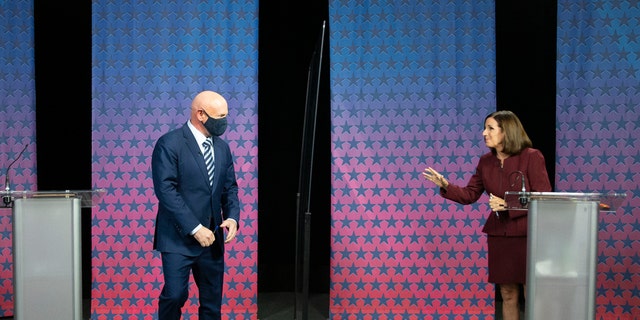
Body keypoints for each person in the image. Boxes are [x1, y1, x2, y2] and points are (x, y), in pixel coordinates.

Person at [422, 110, 551, 320]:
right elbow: (470, 194)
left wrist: (508, 204)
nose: (484, 133)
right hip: (499, 234)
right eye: (485, 128)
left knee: (532, 294)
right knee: (507, 293)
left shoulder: (531, 157)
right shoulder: (485, 162)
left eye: (490, 128)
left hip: (529, 234)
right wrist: (445, 185)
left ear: (506, 131)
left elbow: (543, 196)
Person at [152, 90, 240, 319]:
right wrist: (195, 228)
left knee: (212, 304)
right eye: (219, 116)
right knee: (174, 295)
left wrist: (232, 217)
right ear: (200, 114)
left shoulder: (222, 148)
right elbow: (166, 190)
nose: (224, 122)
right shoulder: (169, 143)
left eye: (226, 116)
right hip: (177, 237)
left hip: (212, 239)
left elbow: (230, 188)